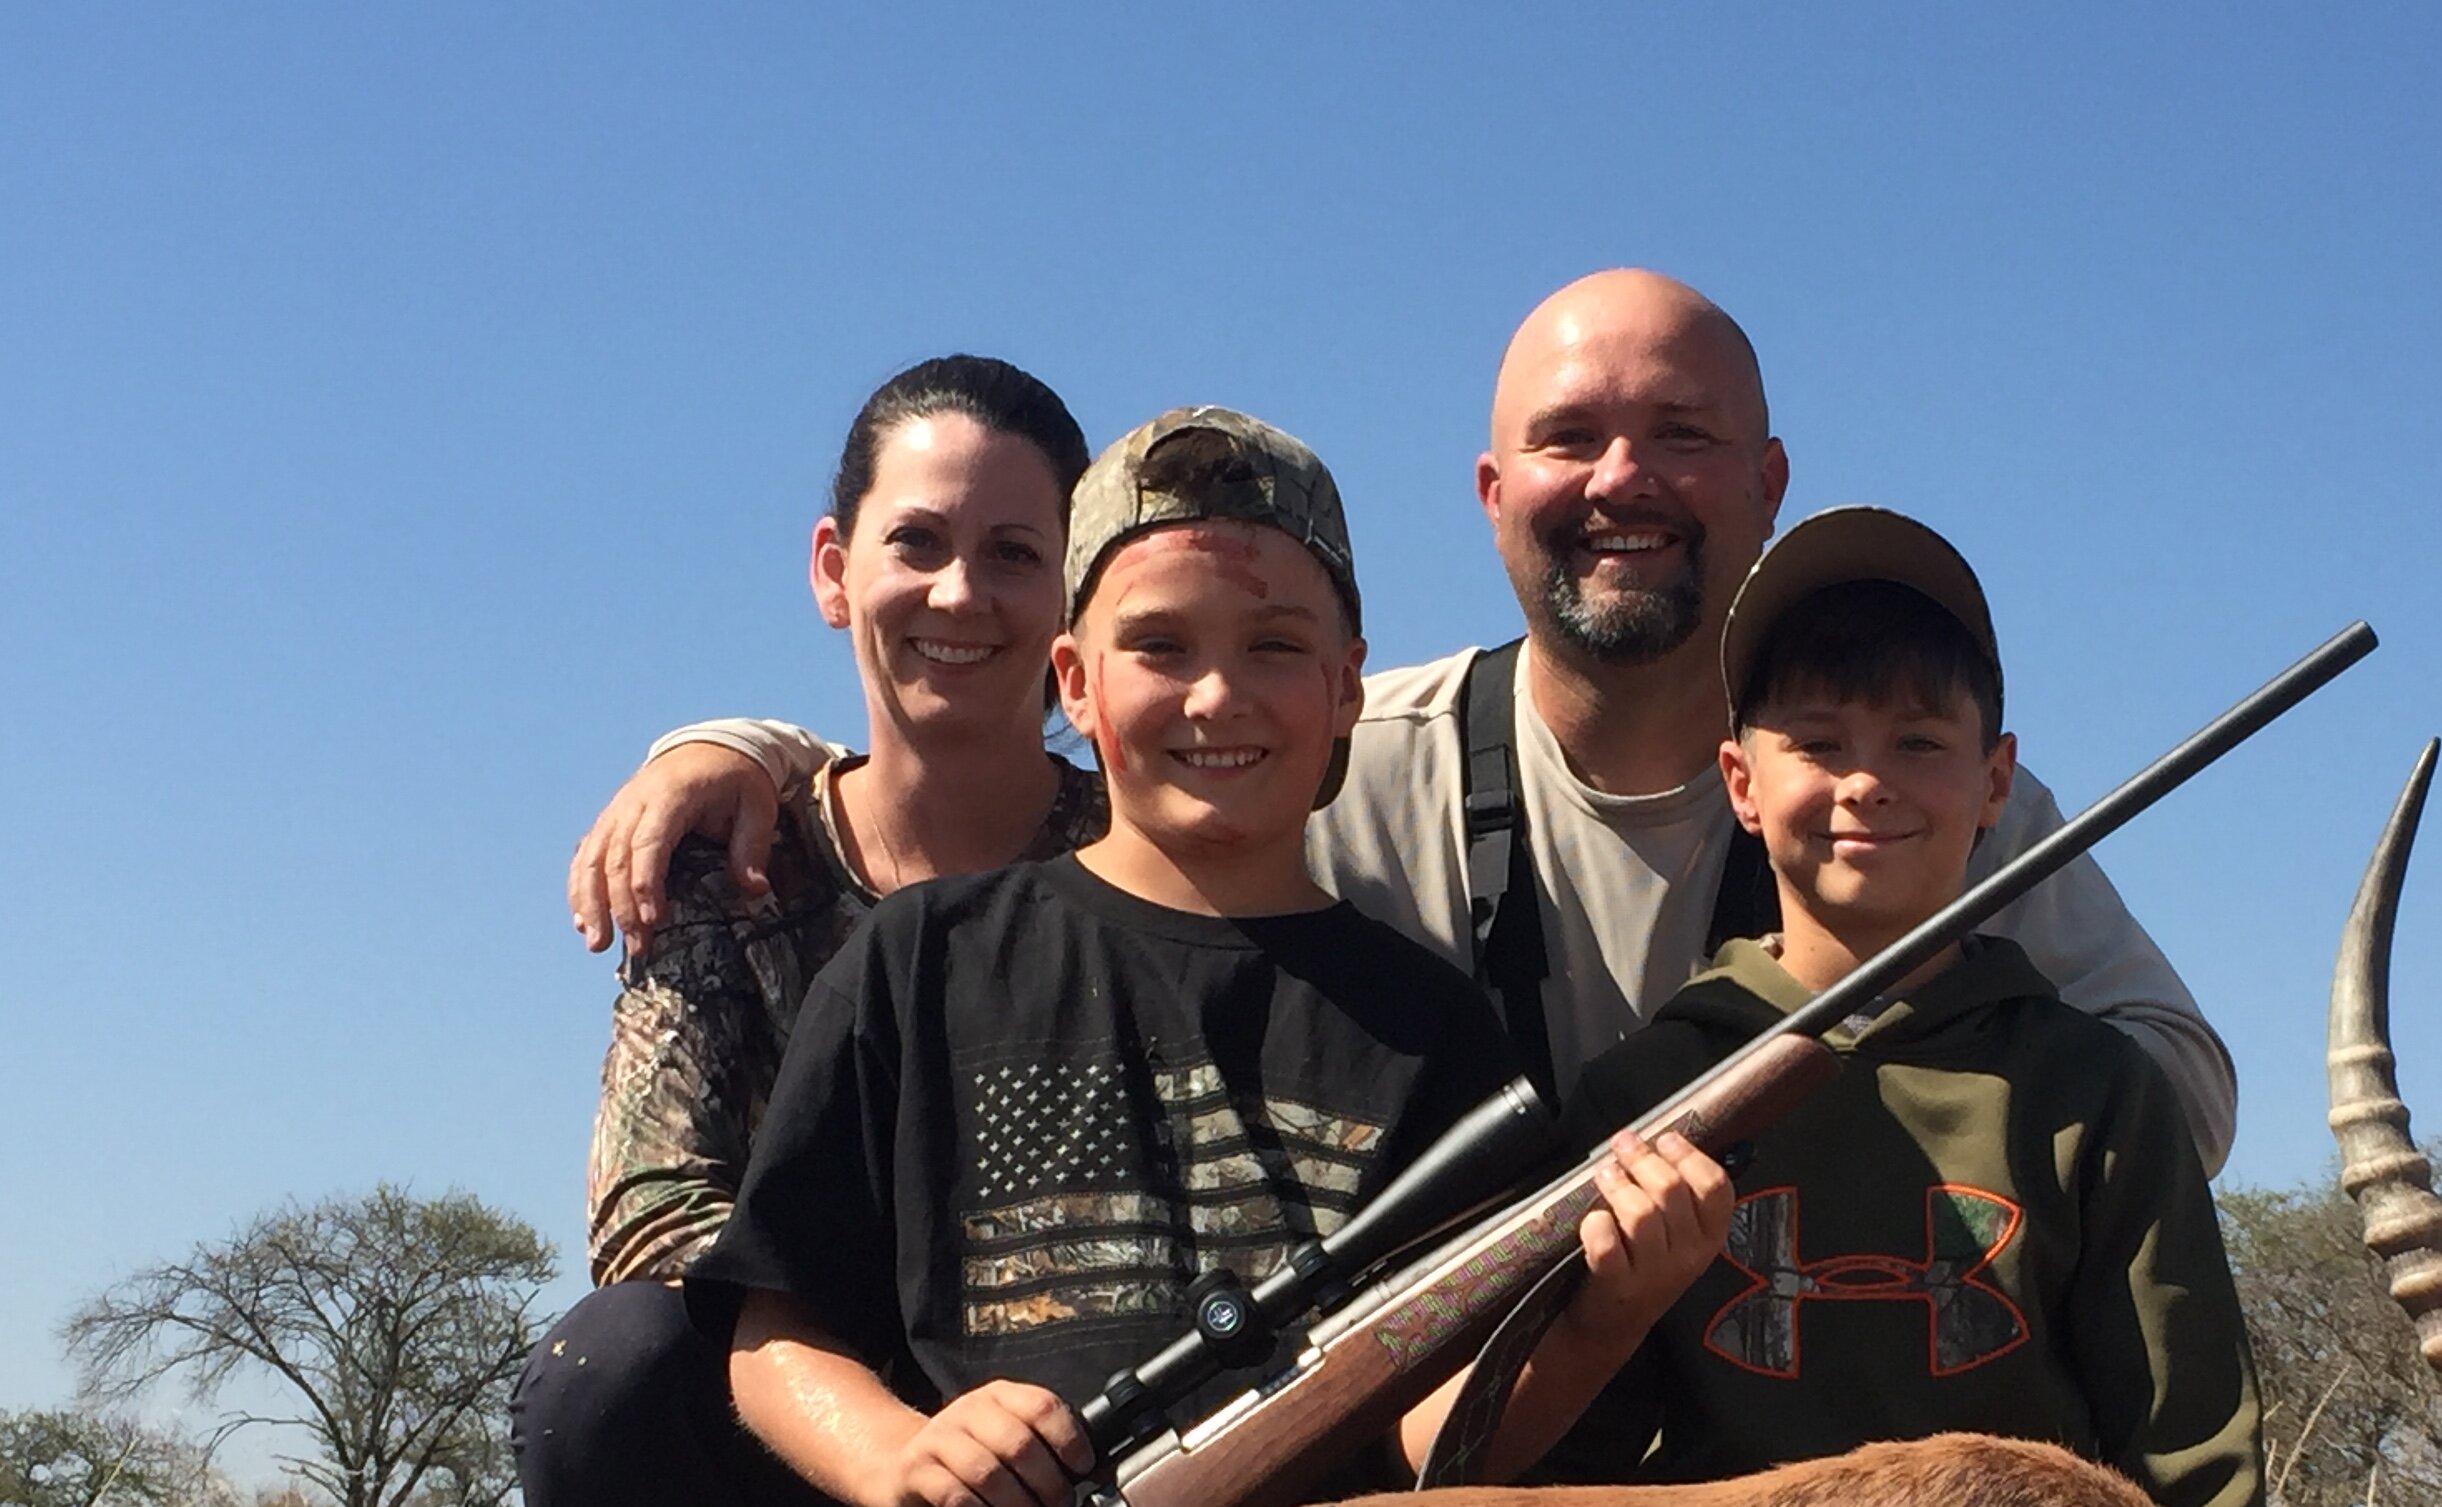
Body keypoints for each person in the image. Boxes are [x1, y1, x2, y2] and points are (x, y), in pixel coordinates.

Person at [565, 272, 2242, 1170]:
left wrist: (1872, 1125)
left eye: (1678, 438)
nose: (1622, 485)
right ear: (1493, 491)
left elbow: (2176, 1087)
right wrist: (750, 750)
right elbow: (1096, 805)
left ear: (1766, 482)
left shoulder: (1916, 794)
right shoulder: (1355, 749)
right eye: (1570, 439)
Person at [696, 408, 1730, 1507]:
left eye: (1276, 646)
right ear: (1073, 681)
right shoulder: (919, 960)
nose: (1218, 695)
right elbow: (774, 1336)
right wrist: (902, 1457)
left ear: (1348, 685)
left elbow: (1427, 1441)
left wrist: (1613, 1305)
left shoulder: (1430, 1027)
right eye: (1161, 647)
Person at [1454, 508, 2268, 1507]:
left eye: (1919, 742)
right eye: (1819, 743)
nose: (1868, 782)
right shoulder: (1648, 1098)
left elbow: (2199, 1476)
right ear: (1741, 785)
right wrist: (1614, 1308)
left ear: (1996, 783)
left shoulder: (2096, 1092)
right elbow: (1565, 1489)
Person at [515, 354, 1104, 1507]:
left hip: (1063, 1456)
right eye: (919, 545)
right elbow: (651, 1215)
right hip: (795, 1456)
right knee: (613, 1365)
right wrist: (878, 1417)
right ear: (834, 570)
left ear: (1074, 596)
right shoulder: (726, 864)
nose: (962, 595)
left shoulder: (1140, 862)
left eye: (1016, 554)